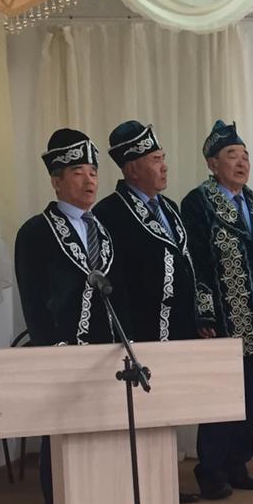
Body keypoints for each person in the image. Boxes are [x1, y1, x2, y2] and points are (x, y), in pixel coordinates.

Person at [15, 128, 129, 504]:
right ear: (56, 180)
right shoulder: (36, 231)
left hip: (105, 350)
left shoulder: (103, 229)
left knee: (104, 431)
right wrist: (51, 348)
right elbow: (32, 298)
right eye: (78, 172)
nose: (89, 180)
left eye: (93, 172)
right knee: (62, 434)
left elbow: (117, 292)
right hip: (62, 350)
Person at [181, 120, 253, 500]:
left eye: (245, 156)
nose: (241, 163)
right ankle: (211, 470)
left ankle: (238, 464)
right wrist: (204, 313)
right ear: (212, 163)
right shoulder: (198, 203)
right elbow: (195, 262)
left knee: (252, 398)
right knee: (221, 398)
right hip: (221, 320)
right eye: (232, 155)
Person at [94, 121, 198, 344]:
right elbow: (116, 283)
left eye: (163, 158)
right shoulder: (109, 212)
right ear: (133, 170)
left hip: (186, 332)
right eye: (156, 160)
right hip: (146, 336)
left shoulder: (170, 207)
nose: (164, 167)